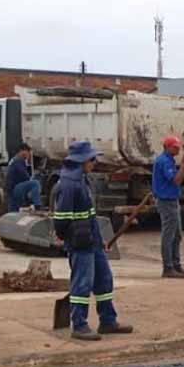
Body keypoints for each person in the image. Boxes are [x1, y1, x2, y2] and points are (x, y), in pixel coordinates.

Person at [53, 140, 133, 341]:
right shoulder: (69, 184)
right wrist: (67, 239)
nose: (94, 162)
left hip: (92, 242)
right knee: (83, 283)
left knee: (104, 279)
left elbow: (90, 216)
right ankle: (79, 325)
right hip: (80, 244)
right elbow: (61, 219)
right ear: (82, 161)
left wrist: (100, 240)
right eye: (91, 159)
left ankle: (108, 320)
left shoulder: (83, 180)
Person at [153, 135, 184, 279]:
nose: (177, 149)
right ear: (167, 147)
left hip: (172, 200)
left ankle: (176, 265)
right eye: (174, 147)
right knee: (169, 234)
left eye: (178, 147)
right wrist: (183, 165)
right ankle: (168, 267)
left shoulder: (168, 160)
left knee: (177, 234)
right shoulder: (164, 161)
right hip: (166, 201)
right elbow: (176, 180)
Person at [6, 142, 42, 212]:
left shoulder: (14, 159)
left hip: (11, 189)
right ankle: (37, 205)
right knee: (35, 183)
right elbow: (24, 175)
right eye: (28, 152)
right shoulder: (19, 160)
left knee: (13, 211)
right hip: (15, 188)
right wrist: (30, 180)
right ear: (22, 151)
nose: (29, 154)